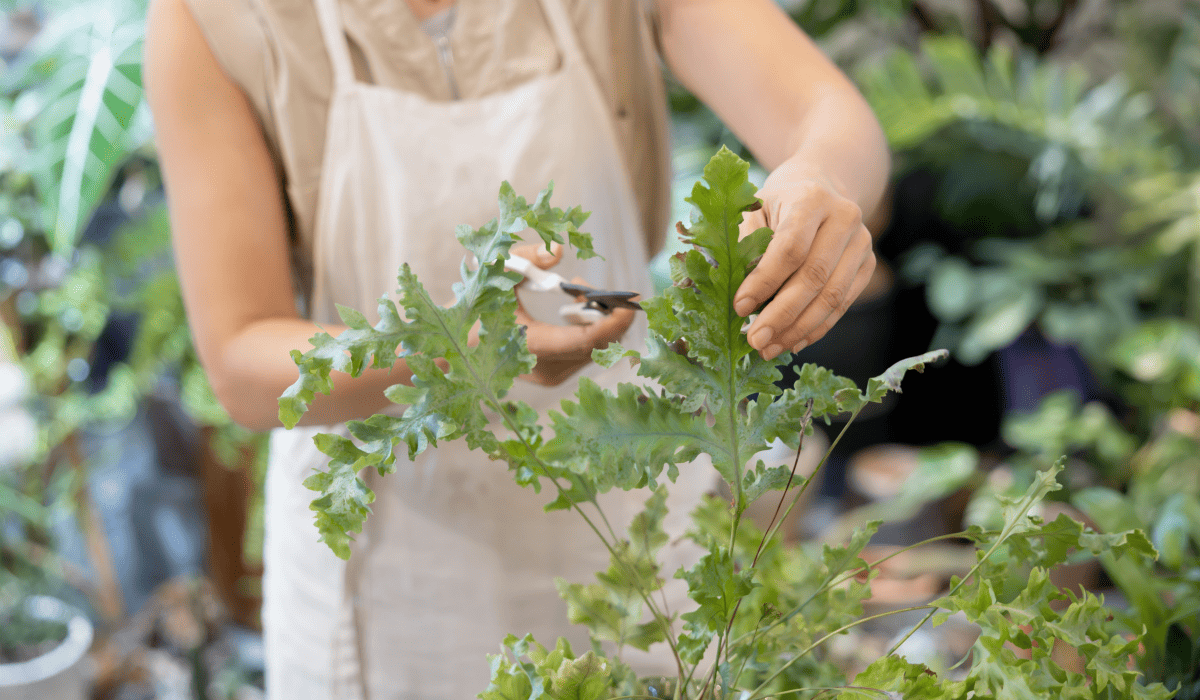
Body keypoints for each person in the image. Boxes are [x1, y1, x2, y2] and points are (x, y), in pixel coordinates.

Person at [144, 0, 890, 697]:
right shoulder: (216, 18)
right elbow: (243, 361)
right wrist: (464, 351)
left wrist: (820, 180)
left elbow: (825, 115)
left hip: (638, 518)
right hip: (395, 577)